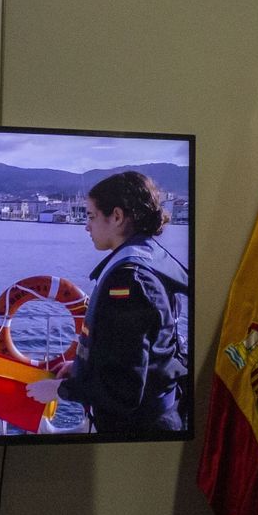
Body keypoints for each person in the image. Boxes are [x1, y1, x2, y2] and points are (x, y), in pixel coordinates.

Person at [26, 170, 190, 434]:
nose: (86, 226)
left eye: (91, 216)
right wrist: (82, 368)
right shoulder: (150, 258)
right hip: (159, 416)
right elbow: (133, 354)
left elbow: (124, 388)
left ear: (117, 217)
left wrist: (60, 389)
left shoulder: (128, 282)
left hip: (139, 432)